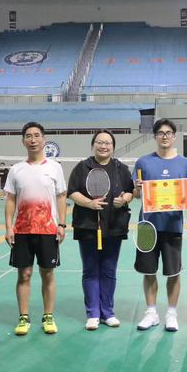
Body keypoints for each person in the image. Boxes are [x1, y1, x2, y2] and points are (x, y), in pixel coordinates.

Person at [4, 122, 67, 336]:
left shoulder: (55, 167)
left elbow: (61, 197)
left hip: (48, 230)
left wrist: (62, 224)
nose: (33, 140)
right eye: (28, 136)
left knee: (47, 273)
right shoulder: (16, 170)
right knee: (24, 274)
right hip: (22, 230)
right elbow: (10, 200)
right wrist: (8, 227)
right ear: (23, 141)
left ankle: (48, 316)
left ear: (44, 139)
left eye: (37, 135)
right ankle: (23, 317)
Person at [68, 130, 134, 331]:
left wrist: (124, 199)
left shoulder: (121, 168)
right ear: (93, 145)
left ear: (113, 147)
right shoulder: (82, 167)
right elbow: (72, 191)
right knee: (90, 270)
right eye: (99, 142)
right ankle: (93, 314)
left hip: (114, 226)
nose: (103, 146)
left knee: (109, 271)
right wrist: (89, 203)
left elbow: (131, 191)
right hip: (87, 226)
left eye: (107, 143)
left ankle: (108, 312)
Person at [133, 118, 187, 332]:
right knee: (148, 271)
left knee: (173, 272)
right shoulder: (143, 162)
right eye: (160, 133)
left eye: (168, 133)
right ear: (155, 136)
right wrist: (137, 188)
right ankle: (151, 312)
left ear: (174, 136)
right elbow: (136, 194)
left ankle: (171, 313)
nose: (164, 136)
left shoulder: (185, 164)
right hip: (147, 226)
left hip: (173, 225)